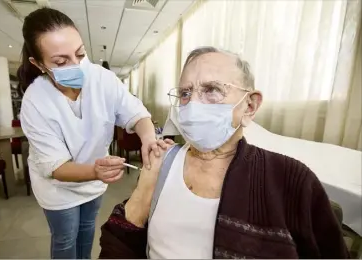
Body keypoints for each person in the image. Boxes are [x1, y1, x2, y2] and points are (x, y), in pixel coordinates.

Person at [99, 47, 349, 258]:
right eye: (185, 93)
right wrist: (145, 188)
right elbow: (116, 246)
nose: (194, 104)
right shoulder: (163, 163)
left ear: (249, 106)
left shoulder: (291, 180)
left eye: (212, 90)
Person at [18, 7, 169, 259]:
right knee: (66, 239)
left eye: (80, 53)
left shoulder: (101, 78)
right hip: (58, 188)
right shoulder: (36, 101)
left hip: (94, 183)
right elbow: (56, 167)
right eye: (60, 61)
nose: (77, 66)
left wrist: (148, 138)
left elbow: (136, 114)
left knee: (87, 230)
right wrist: (95, 171)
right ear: (39, 64)